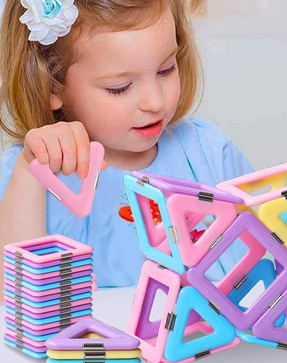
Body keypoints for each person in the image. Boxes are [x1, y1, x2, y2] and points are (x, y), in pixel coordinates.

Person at [0, 0, 252, 291]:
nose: (155, 102)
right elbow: (13, 294)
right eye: (119, 88)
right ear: (52, 85)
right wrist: (31, 174)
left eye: (166, 70)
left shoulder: (209, 151)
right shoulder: (28, 173)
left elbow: (267, 269)